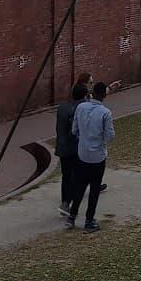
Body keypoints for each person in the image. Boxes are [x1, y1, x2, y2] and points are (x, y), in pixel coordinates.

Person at [68, 81, 115, 232]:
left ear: (92, 93)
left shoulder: (81, 107)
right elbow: (110, 136)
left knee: (80, 185)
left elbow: (74, 130)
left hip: (82, 153)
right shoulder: (105, 113)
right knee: (94, 188)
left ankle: (72, 216)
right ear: (104, 95)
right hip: (97, 155)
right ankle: (89, 220)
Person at [55, 82, 88, 218]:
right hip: (74, 147)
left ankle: (65, 203)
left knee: (66, 176)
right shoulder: (79, 109)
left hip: (62, 146)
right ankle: (67, 203)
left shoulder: (62, 107)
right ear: (84, 96)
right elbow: (75, 130)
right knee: (77, 176)